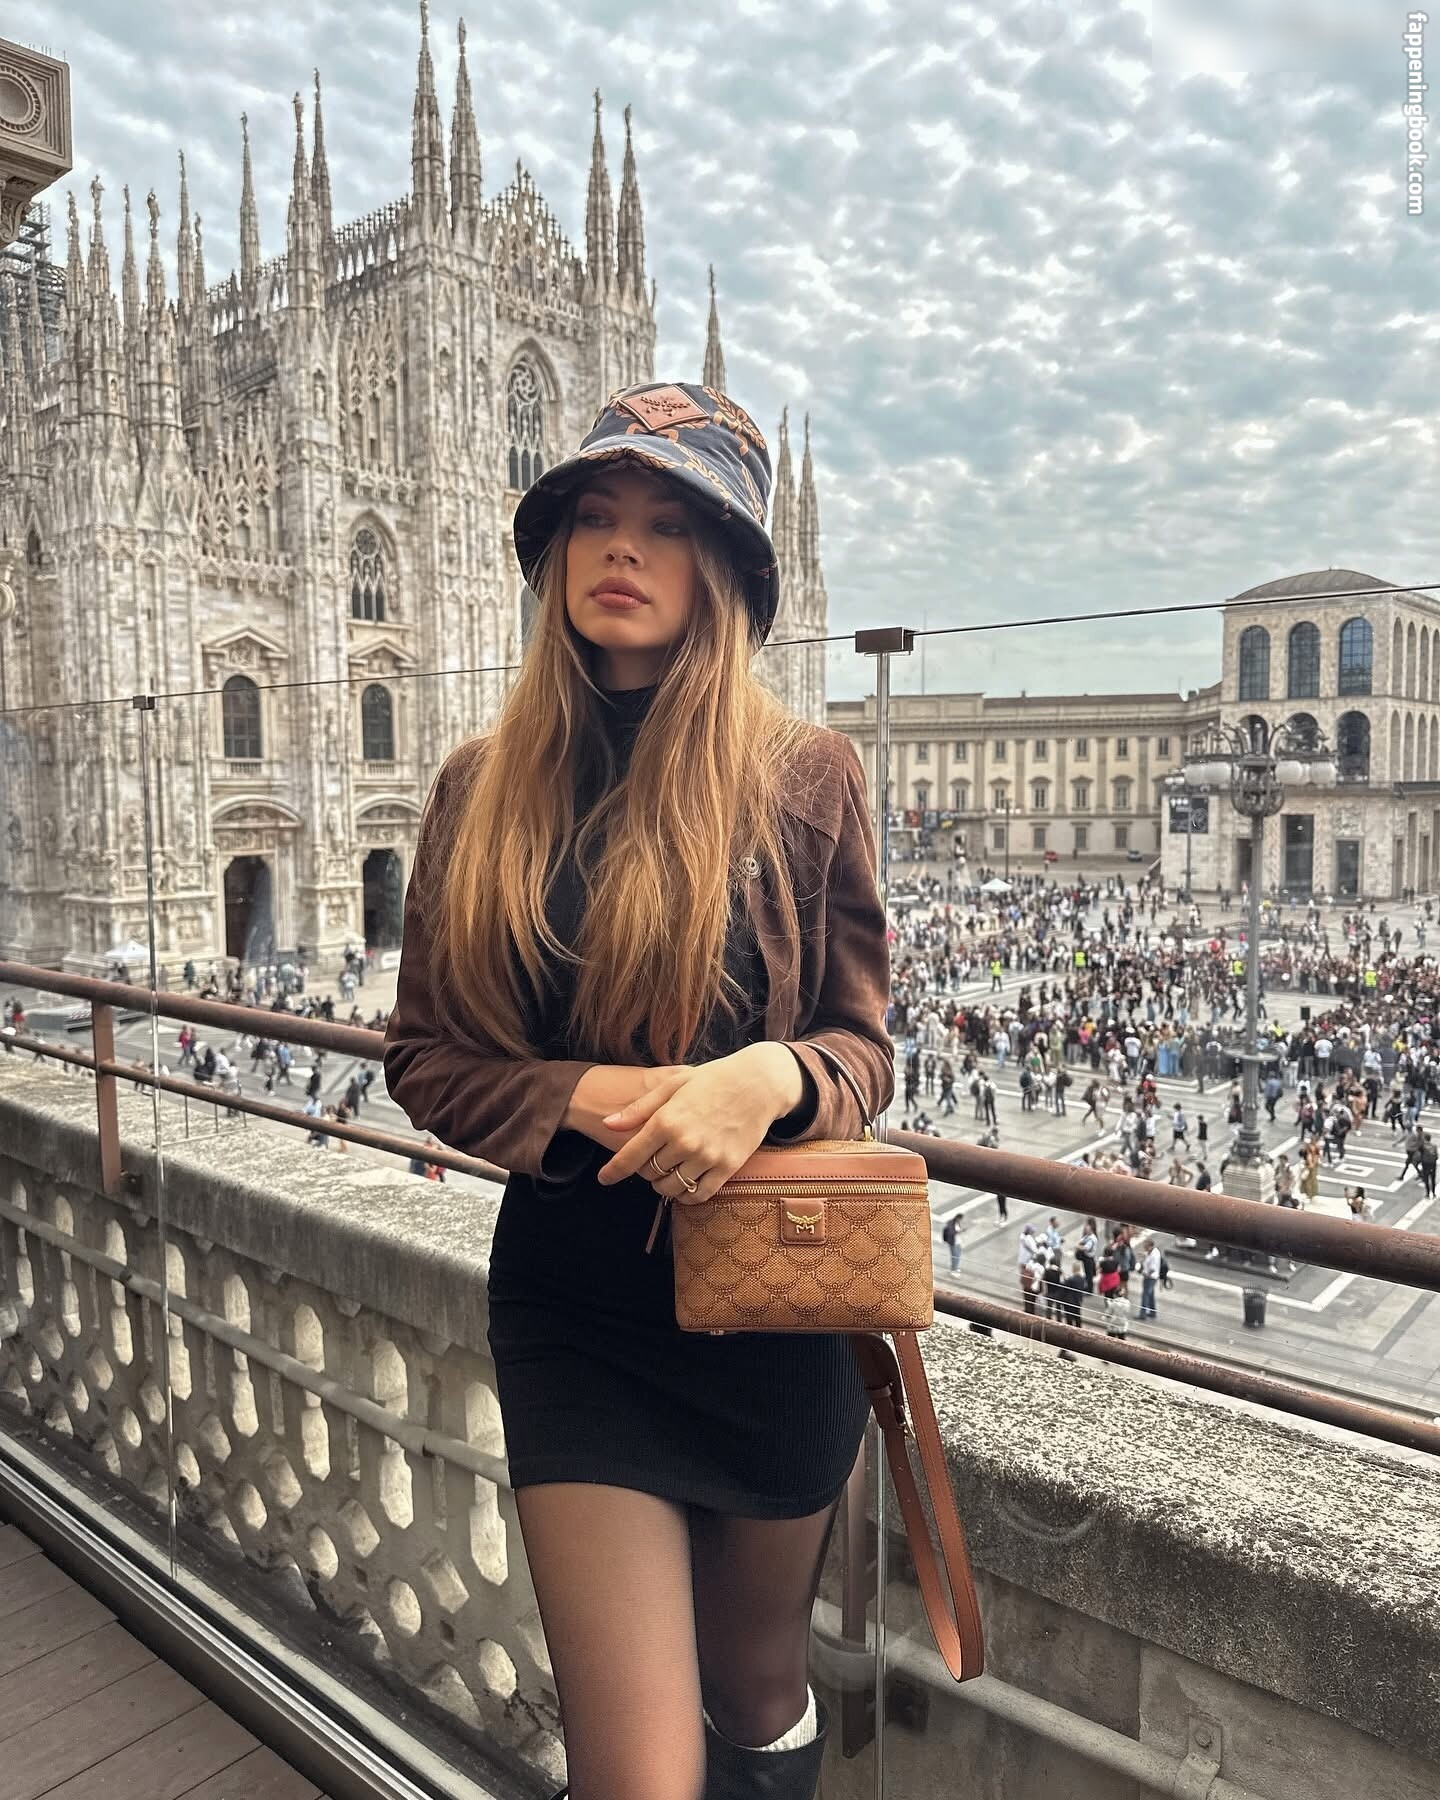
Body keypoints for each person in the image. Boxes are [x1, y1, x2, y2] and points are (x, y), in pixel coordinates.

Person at [382, 385, 892, 1796]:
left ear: (723, 572)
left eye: (669, 525)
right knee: (640, 1775)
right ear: (553, 553)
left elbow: (863, 1049)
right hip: (580, 1314)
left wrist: (768, 1077)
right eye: (595, 517)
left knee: (757, 1689)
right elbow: (423, 1057)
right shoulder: (480, 790)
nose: (623, 548)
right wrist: (582, 1098)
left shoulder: (802, 777)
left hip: (771, 1304)